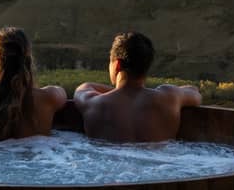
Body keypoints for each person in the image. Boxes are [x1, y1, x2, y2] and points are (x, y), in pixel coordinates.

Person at [73, 32, 201, 141]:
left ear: (117, 64)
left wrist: (119, 92)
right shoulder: (170, 97)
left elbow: (84, 87)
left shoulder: (92, 102)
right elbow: (195, 92)